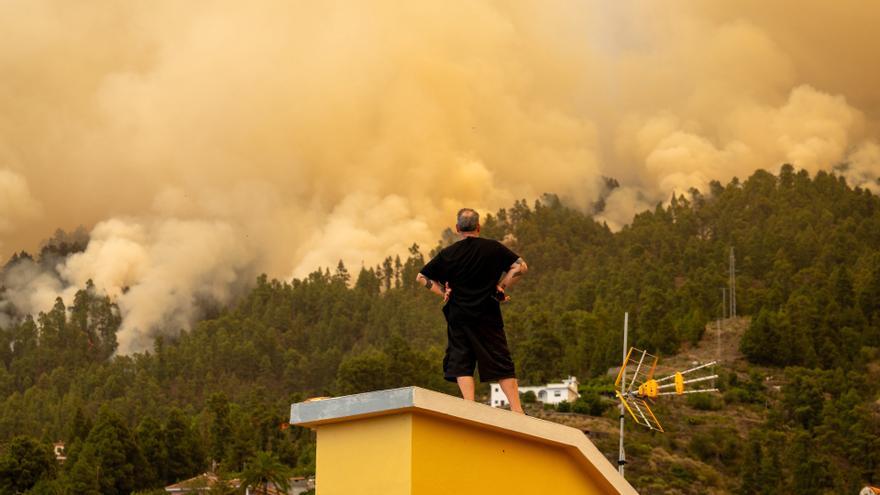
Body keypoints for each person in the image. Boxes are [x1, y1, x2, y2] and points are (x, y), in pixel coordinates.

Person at [416, 208, 529, 413]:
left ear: (458, 228)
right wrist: (501, 286)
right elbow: (521, 267)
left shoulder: (448, 254)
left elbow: (422, 277)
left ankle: (470, 407)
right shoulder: (493, 248)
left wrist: (443, 292)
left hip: (459, 316)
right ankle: (517, 410)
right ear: (478, 227)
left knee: (462, 360)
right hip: (488, 313)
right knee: (500, 360)